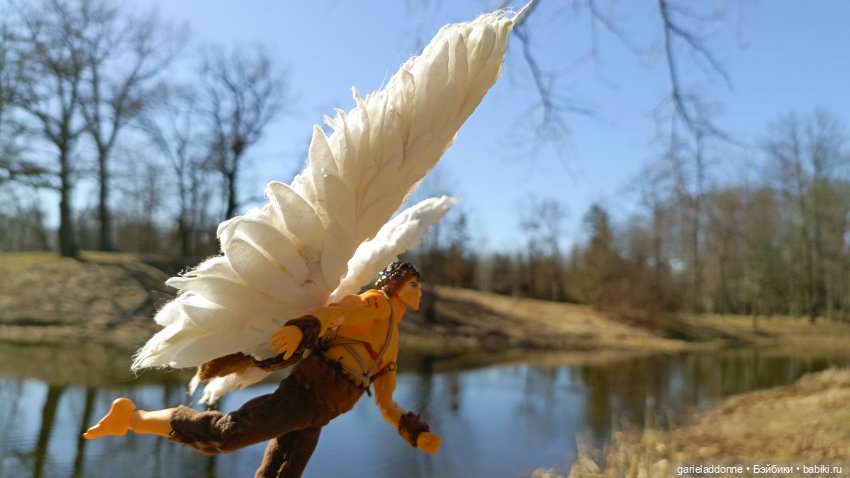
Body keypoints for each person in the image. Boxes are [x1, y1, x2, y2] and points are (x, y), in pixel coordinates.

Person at [84, 261, 441, 478]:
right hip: (305, 396)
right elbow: (341, 311)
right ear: (394, 286)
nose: (418, 293)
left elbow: (385, 403)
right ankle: (132, 418)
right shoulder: (378, 304)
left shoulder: (391, 341)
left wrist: (415, 433)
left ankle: (132, 419)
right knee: (224, 435)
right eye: (413, 285)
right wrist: (303, 327)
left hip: (320, 414)